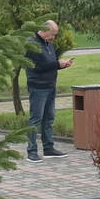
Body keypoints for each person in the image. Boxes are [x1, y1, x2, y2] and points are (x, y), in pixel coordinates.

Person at [22, 20, 75, 161]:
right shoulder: (32, 44)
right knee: (36, 119)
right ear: (44, 30)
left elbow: (50, 64)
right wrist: (57, 63)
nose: (54, 38)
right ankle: (32, 151)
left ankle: (48, 148)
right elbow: (38, 66)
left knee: (49, 118)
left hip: (50, 86)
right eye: (53, 34)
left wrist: (62, 65)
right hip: (38, 87)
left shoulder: (49, 44)